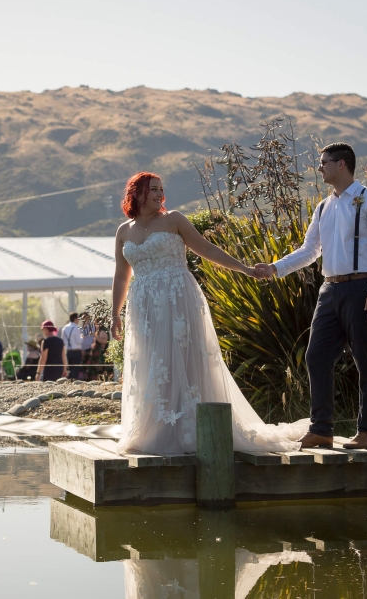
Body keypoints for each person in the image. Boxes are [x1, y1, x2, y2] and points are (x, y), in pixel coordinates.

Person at [112, 171, 308, 455]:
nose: (159, 194)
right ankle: (154, 430)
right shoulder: (123, 231)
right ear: (137, 193)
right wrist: (116, 313)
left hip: (178, 298)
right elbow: (121, 276)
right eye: (153, 189)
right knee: (151, 363)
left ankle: (190, 428)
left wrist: (244, 268)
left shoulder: (174, 219)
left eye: (161, 189)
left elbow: (205, 248)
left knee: (182, 359)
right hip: (143, 305)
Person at [254, 143, 367, 450]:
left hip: (362, 288)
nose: (320, 168)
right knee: (316, 356)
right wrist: (274, 268)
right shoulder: (323, 207)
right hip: (329, 290)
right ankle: (322, 429)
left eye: (324, 162)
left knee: (365, 359)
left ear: (342, 164)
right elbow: (309, 251)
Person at [60, 312, 84, 380]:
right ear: (75, 319)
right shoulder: (76, 328)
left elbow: (63, 341)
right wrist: (82, 337)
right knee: (75, 370)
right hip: (76, 351)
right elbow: (79, 341)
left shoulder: (64, 328)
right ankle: (74, 383)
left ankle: (69, 382)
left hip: (68, 351)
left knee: (69, 369)